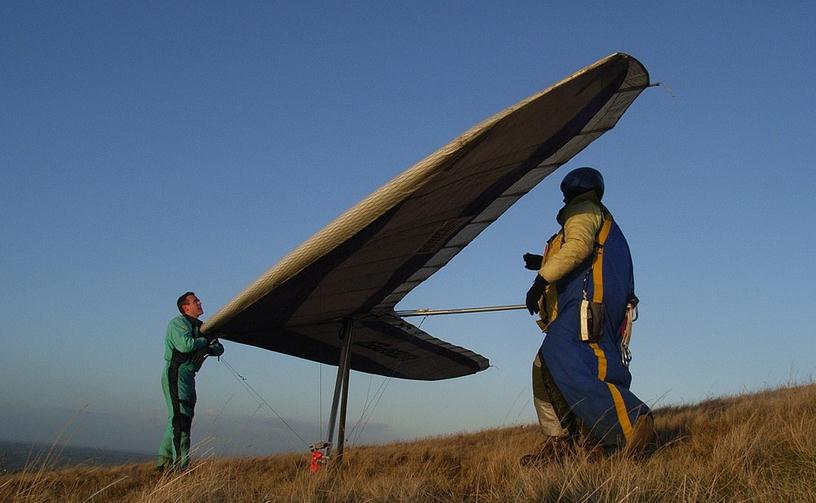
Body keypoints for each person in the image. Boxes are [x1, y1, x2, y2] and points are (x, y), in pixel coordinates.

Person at [522, 167, 654, 461]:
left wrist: (540, 280)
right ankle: (563, 444)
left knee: (569, 361)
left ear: (571, 189)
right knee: (545, 366)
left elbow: (578, 248)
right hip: (588, 308)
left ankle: (631, 425)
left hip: (585, 306)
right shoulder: (595, 215)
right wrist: (541, 261)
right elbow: (583, 252)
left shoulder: (582, 209)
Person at [156, 291, 224, 470]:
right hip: (176, 373)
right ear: (186, 307)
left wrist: (210, 346)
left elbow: (219, 347)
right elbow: (185, 345)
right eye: (195, 301)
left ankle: (163, 463)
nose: (200, 302)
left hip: (189, 376)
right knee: (181, 420)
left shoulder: (201, 325)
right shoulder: (177, 323)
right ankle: (181, 467)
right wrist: (204, 341)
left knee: (179, 417)